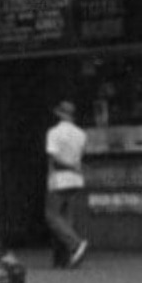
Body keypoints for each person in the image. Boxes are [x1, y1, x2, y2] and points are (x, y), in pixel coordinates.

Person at [44, 100, 88, 269]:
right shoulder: (81, 134)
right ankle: (64, 258)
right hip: (76, 179)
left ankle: (76, 244)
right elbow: (80, 156)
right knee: (66, 218)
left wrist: (50, 178)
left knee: (52, 215)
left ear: (60, 114)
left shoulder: (54, 133)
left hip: (59, 178)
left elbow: (53, 158)